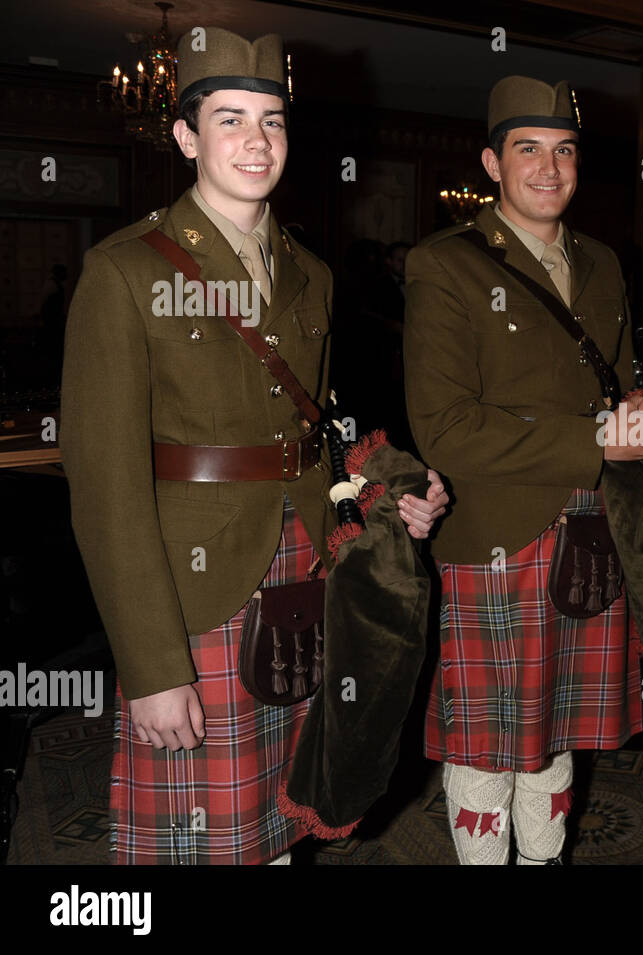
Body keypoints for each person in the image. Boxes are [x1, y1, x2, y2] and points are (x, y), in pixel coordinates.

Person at [60, 28, 445, 865]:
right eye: (229, 119)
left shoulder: (312, 272)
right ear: (185, 136)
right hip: (194, 594)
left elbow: (322, 425)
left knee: (277, 823)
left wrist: (389, 484)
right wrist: (153, 663)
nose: (255, 142)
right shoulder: (123, 272)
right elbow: (105, 488)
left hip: (304, 576)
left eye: (271, 120)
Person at [403, 75, 643, 865]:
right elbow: (447, 429)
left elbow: (622, 387)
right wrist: (601, 440)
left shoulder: (603, 263)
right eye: (528, 149)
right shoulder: (445, 266)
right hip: (496, 538)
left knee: (557, 731)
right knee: (486, 745)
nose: (548, 167)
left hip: (594, 535)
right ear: (492, 163)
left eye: (564, 150)